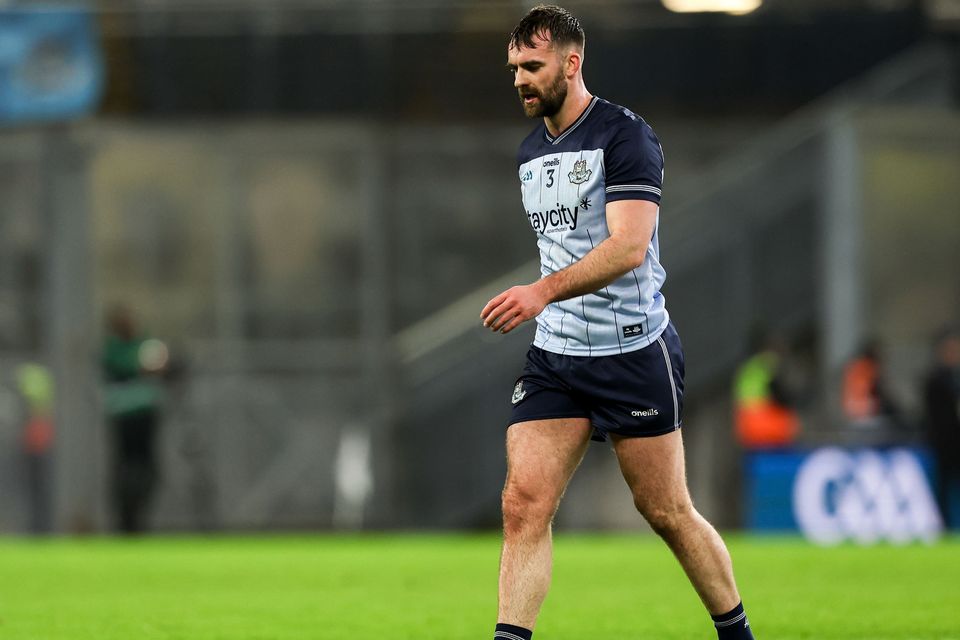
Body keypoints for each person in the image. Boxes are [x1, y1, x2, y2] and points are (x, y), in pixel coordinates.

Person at [479, 6, 755, 639]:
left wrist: (540, 292)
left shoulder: (625, 136)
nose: (520, 79)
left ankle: (737, 635)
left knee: (666, 511)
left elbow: (630, 246)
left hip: (632, 351)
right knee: (523, 505)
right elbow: (563, 246)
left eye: (533, 66)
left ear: (572, 63)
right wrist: (546, 302)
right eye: (514, 67)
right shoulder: (530, 151)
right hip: (557, 355)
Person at [102, 305, 168, 533]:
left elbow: (160, 366)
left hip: (146, 415)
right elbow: (118, 368)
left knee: (147, 467)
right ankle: (125, 519)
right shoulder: (112, 350)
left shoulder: (145, 345)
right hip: (123, 417)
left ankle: (141, 516)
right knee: (125, 468)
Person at [733, 331, 799, 449]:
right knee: (793, 424)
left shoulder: (748, 367)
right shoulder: (769, 364)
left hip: (746, 425)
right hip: (766, 422)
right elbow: (780, 394)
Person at [922, 328, 960, 528]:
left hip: (955, 443)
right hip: (943, 444)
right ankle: (944, 526)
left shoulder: (954, 378)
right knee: (943, 488)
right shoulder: (935, 380)